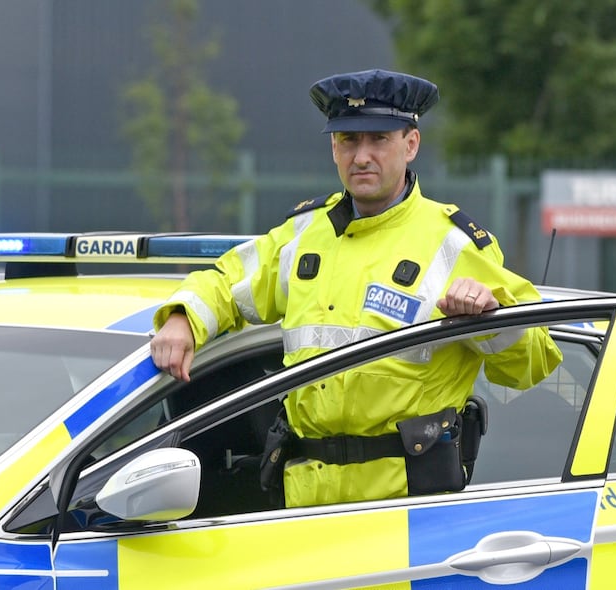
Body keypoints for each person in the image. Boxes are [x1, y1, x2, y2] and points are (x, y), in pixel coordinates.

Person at [150, 69, 562, 507]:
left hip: (405, 504)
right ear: (333, 147)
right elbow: (226, 281)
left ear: (411, 144)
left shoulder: (454, 243)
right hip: (303, 502)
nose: (361, 156)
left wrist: (489, 318)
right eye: (348, 140)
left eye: (379, 139)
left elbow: (532, 363)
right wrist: (183, 319)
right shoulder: (303, 234)